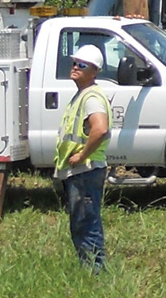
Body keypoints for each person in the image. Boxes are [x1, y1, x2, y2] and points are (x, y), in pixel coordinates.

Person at [54, 44, 112, 272]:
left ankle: (95, 273)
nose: (76, 67)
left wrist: (81, 156)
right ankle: (90, 270)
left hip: (86, 170)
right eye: (75, 63)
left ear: (94, 71)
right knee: (81, 223)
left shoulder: (91, 98)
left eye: (82, 65)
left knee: (86, 223)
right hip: (80, 171)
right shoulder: (83, 95)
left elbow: (100, 129)